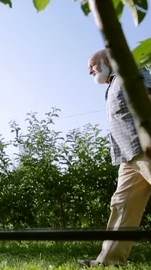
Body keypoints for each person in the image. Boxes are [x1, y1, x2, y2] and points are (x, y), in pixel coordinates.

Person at [78, 49, 151, 267]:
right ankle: (110, 261)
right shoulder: (113, 85)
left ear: (108, 60)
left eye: (93, 64)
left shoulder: (131, 71)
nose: (90, 70)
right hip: (128, 156)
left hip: (145, 146)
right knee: (122, 205)